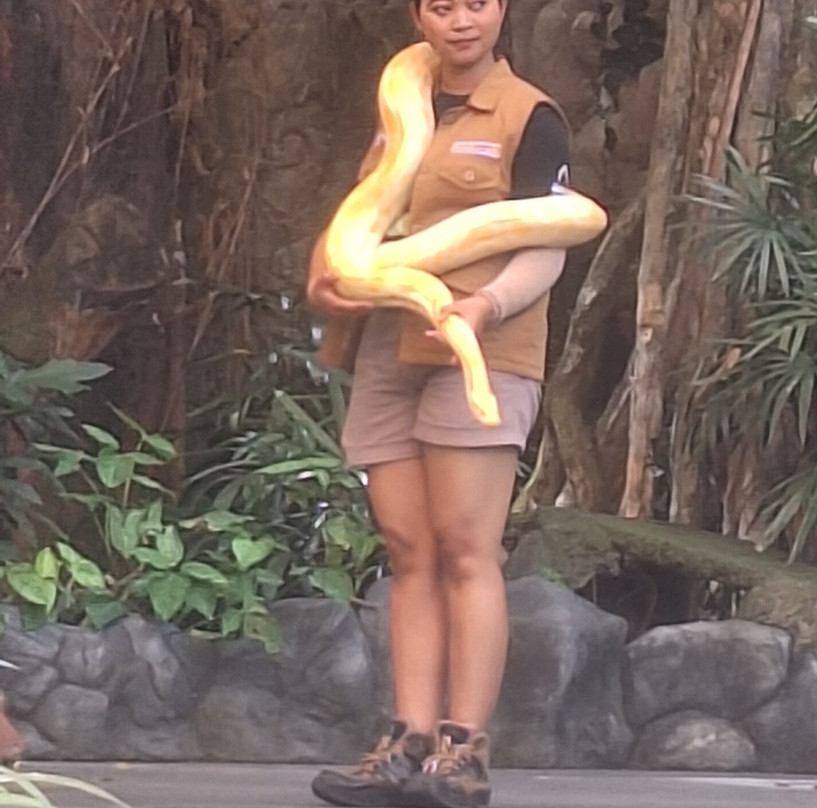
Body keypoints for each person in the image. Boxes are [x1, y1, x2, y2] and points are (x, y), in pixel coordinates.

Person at [306, 1, 575, 806]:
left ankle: (465, 751)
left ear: (502, 9)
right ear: (419, 16)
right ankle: (408, 741)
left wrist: (485, 305)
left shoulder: (530, 116)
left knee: (466, 547)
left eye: (477, 2)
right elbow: (363, 217)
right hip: (392, 345)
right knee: (408, 548)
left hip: (482, 346)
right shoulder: (403, 109)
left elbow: (549, 246)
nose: (462, 20)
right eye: (442, 5)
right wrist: (326, 276)